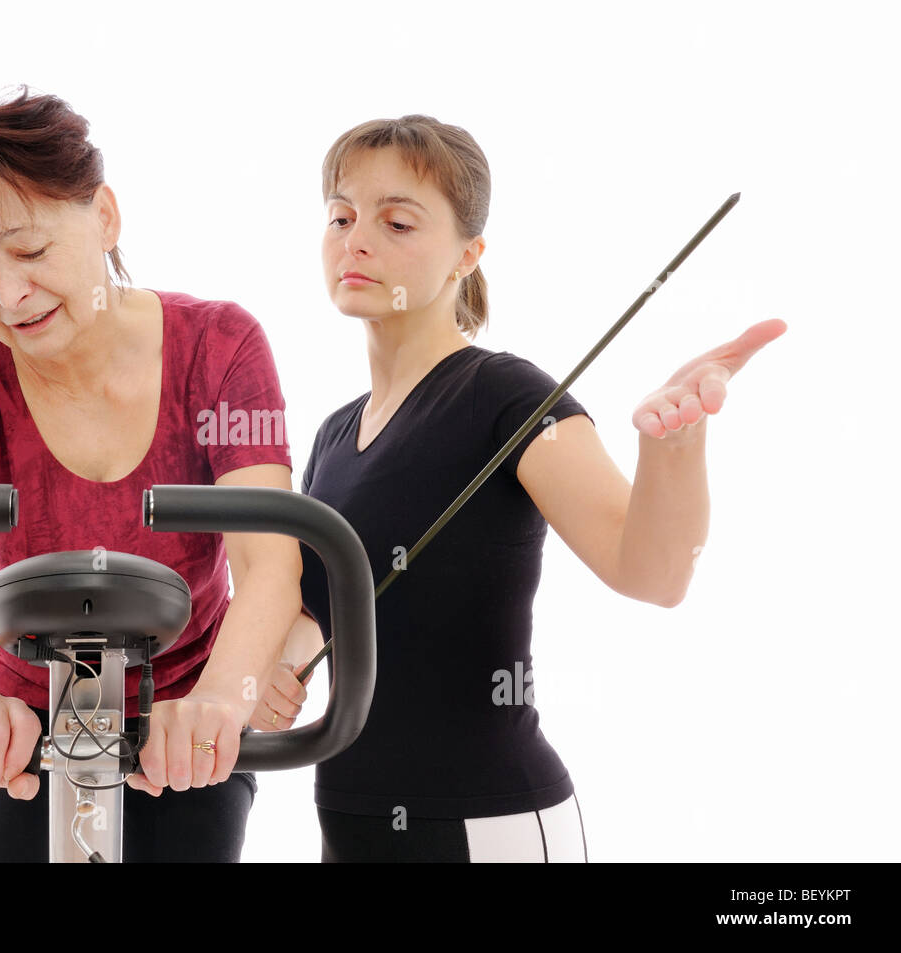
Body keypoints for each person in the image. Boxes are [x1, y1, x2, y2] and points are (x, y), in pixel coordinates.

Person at [249, 115, 786, 862]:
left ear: (468, 254)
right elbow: (326, 607)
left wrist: (674, 446)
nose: (356, 238)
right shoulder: (335, 434)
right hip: (350, 821)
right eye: (341, 216)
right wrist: (284, 663)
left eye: (397, 220)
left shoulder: (505, 395)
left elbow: (654, 573)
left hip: (488, 825)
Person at [0, 86, 303, 862]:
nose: (8, 297)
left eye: (31, 252)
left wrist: (218, 704)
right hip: (11, 711)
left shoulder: (221, 346)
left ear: (105, 216)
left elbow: (270, 564)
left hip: (182, 711)